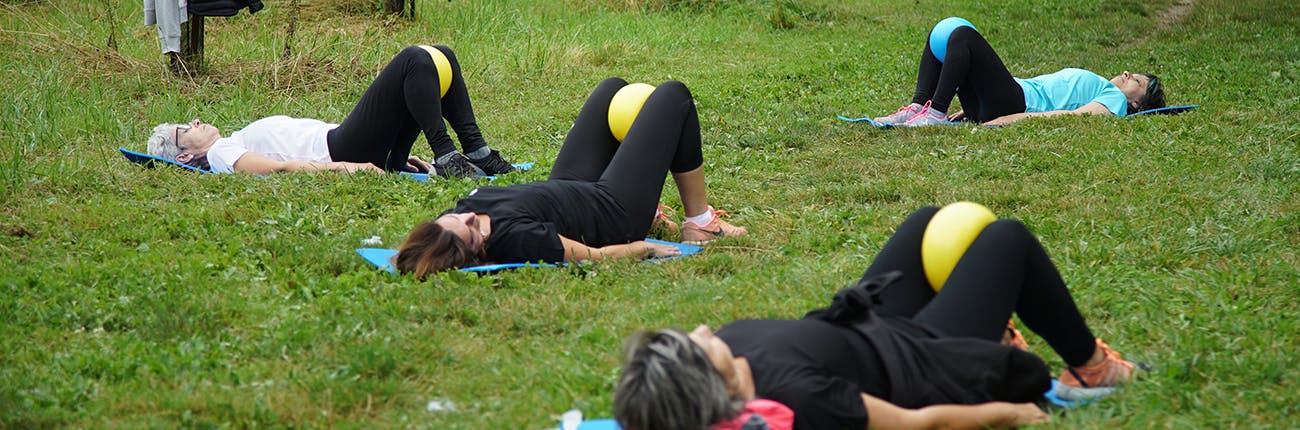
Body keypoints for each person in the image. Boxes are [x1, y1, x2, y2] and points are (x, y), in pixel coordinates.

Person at [614, 206, 1146, 430]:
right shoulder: (801, 401)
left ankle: (994, 323)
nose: (702, 329)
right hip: (919, 358)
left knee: (924, 224)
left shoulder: (732, 350)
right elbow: (919, 424)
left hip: (868, 324)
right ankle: (1090, 369)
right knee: (1006, 239)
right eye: (694, 343)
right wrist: (1012, 414)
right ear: (704, 383)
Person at [395, 78, 747, 277]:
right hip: (614, 211)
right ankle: (700, 222)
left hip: (570, 187)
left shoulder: (454, 220)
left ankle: (651, 205)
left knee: (611, 89)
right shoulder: (517, 240)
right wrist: (641, 248)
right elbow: (593, 257)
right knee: (673, 97)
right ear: (477, 253)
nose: (469, 216)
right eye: (472, 231)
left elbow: (428, 247)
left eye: (455, 219)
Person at [146, 45, 515, 177]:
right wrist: (346, 167)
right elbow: (280, 168)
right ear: (184, 155)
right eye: (185, 128)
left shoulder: (232, 138)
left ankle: (477, 152)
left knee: (441, 55)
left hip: (357, 143)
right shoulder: (223, 153)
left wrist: (396, 153)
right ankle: (448, 154)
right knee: (414, 60)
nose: (194, 122)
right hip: (344, 150)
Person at [874, 18, 1166, 127]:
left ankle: (934, 114)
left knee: (963, 35)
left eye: (1137, 81)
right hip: (1001, 98)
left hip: (1014, 103)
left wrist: (1012, 119)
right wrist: (971, 110)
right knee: (946, 32)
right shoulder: (1105, 86)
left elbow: (1072, 117)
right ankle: (918, 107)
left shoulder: (1112, 100)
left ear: (1137, 104)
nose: (1127, 74)